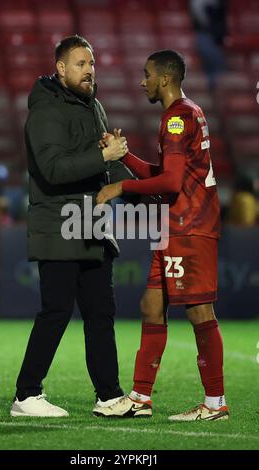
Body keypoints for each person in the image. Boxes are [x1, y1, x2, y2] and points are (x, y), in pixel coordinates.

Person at [94, 50, 229, 421]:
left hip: (189, 226)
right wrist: (124, 157)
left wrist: (120, 187)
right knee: (152, 305)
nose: (142, 82)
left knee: (199, 310)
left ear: (165, 79)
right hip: (173, 226)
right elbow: (167, 172)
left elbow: (169, 182)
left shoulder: (175, 119)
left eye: (147, 75)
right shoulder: (187, 112)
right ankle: (140, 397)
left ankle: (215, 403)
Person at [11, 35, 134, 417]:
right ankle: (26, 395)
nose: (89, 70)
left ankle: (109, 395)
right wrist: (102, 155)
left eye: (92, 63)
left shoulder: (93, 105)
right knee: (57, 310)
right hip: (60, 223)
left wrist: (133, 178)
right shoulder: (46, 110)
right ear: (61, 68)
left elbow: (101, 163)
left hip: (92, 223)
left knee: (101, 311)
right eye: (80, 64)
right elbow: (53, 169)